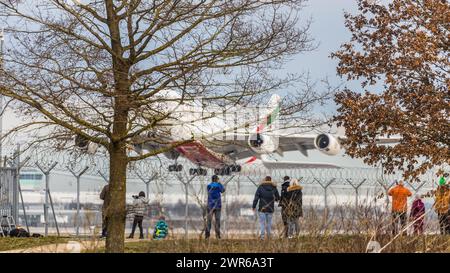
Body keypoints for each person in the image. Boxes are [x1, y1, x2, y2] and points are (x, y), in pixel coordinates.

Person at [252, 176, 280, 240]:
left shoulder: (260, 187)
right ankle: (269, 237)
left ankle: (262, 237)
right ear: (270, 180)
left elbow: (256, 198)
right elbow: (278, 198)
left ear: (264, 180)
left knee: (262, 223)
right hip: (270, 209)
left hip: (262, 209)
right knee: (269, 223)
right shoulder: (274, 188)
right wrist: (274, 199)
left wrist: (253, 206)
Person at [205, 175, 225, 239]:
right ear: (217, 179)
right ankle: (218, 235)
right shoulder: (219, 185)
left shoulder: (209, 186)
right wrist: (220, 183)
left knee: (209, 221)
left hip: (210, 205)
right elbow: (223, 190)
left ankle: (207, 235)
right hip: (217, 205)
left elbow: (209, 191)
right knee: (217, 221)